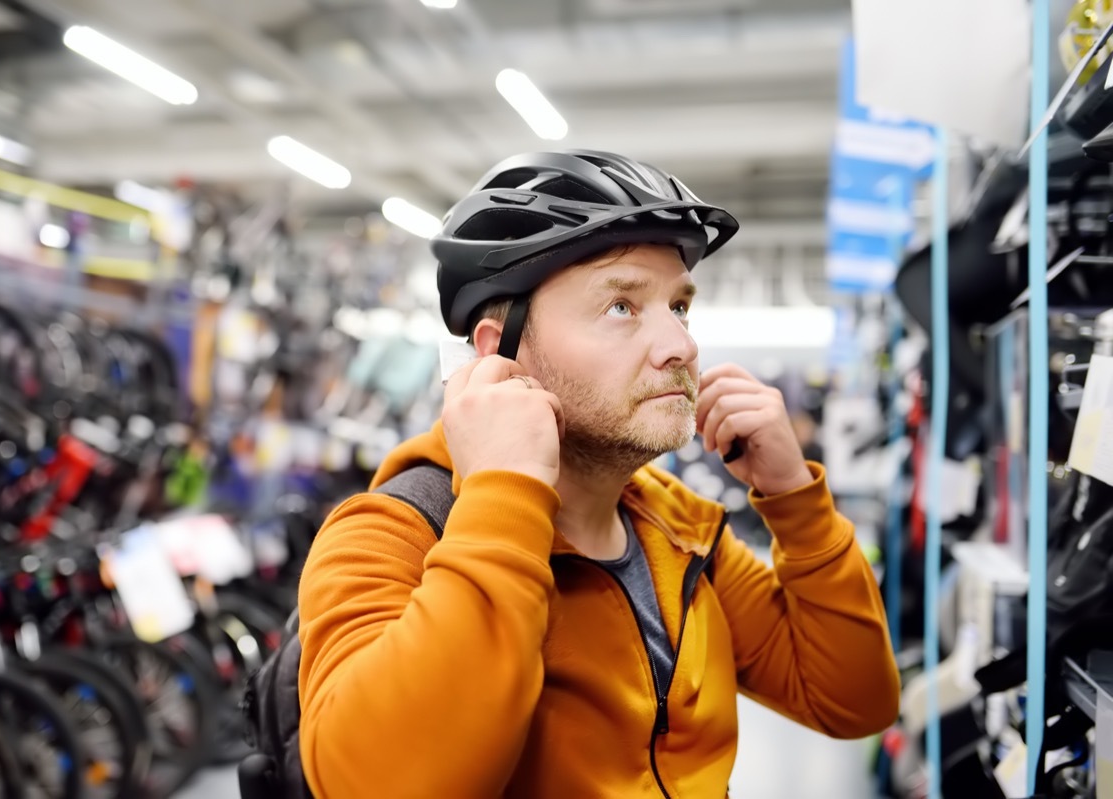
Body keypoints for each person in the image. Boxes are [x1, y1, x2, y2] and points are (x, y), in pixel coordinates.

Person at [296, 150, 900, 798]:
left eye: (679, 306)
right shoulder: (387, 536)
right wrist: (504, 493)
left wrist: (795, 502)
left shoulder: (680, 530)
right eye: (621, 306)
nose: (681, 345)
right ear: (499, 348)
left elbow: (852, 701)